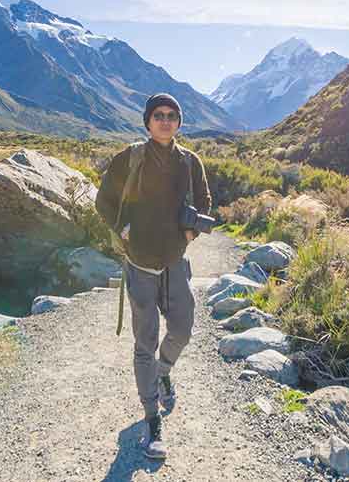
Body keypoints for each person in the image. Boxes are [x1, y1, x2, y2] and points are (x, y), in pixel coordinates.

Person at [95, 93, 212, 460]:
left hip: (175, 262)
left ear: (179, 122)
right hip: (140, 265)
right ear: (147, 122)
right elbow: (104, 201)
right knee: (144, 343)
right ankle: (151, 421)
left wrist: (191, 234)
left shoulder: (190, 162)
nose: (165, 120)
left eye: (172, 115)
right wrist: (123, 230)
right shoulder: (129, 158)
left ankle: (164, 372)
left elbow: (205, 202)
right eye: (158, 115)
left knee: (183, 329)